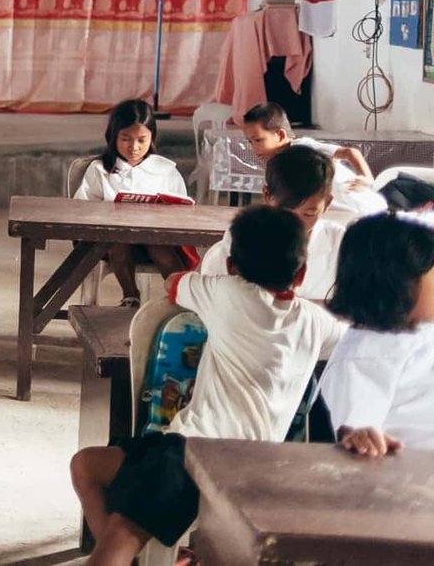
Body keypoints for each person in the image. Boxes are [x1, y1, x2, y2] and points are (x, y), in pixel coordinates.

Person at [68, 204, 343, 566]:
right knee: (87, 464)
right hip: (258, 465)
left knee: (120, 536)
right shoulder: (314, 322)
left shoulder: (225, 294)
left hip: (196, 454)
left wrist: (212, 282)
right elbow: (347, 339)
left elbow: (173, 284)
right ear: (302, 273)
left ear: (231, 267)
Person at [319, 211, 434, 455]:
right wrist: (358, 436)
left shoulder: (422, 331)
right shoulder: (363, 357)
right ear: (399, 285)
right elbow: (356, 435)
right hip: (413, 478)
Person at [74, 99, 191, 306]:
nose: (134, 147)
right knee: (120, 242)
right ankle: (131, 296)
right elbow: (82, 207)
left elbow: (184, 209)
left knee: (159, 247)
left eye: (142, 140)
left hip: (156, 240)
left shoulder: (166, 171)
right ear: (113, 137)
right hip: (114, 244)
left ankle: (184, 299)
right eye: (125, 139)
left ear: (152, 138)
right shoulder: (100, 170)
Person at [198, 145, 344, 302]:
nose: (293, 224)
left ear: (327, 203)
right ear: (267, 195)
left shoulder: (341, 244)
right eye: (285, 212)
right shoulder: (236, 244)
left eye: (309, 214)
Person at [241, 102, 384, 214]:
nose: (254, 148)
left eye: (258, 140)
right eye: (250, 142)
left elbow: (350, 152)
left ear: (280, 135)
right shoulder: (277, 165)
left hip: (359, 207)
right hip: (333, 212)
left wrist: (367, 179)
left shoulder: (304, 147)